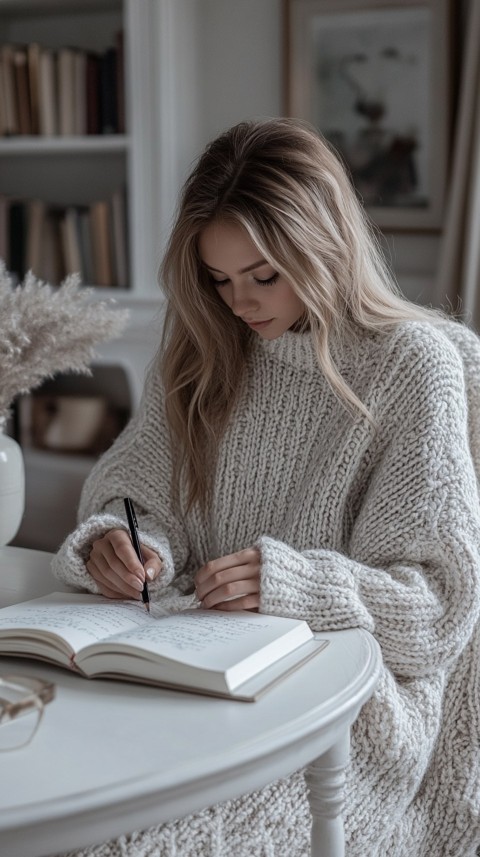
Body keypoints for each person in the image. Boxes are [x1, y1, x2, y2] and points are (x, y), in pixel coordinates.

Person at [53, 117, 480, 857]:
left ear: (325, 250)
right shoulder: (201, 352)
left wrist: (293, 582)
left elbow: (438, 606)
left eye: (263, 275)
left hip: (340, 708)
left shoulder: (412, 366)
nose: (240, 303)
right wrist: (126, 541)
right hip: (192, 668)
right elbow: (132, 486)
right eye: (217, 279)